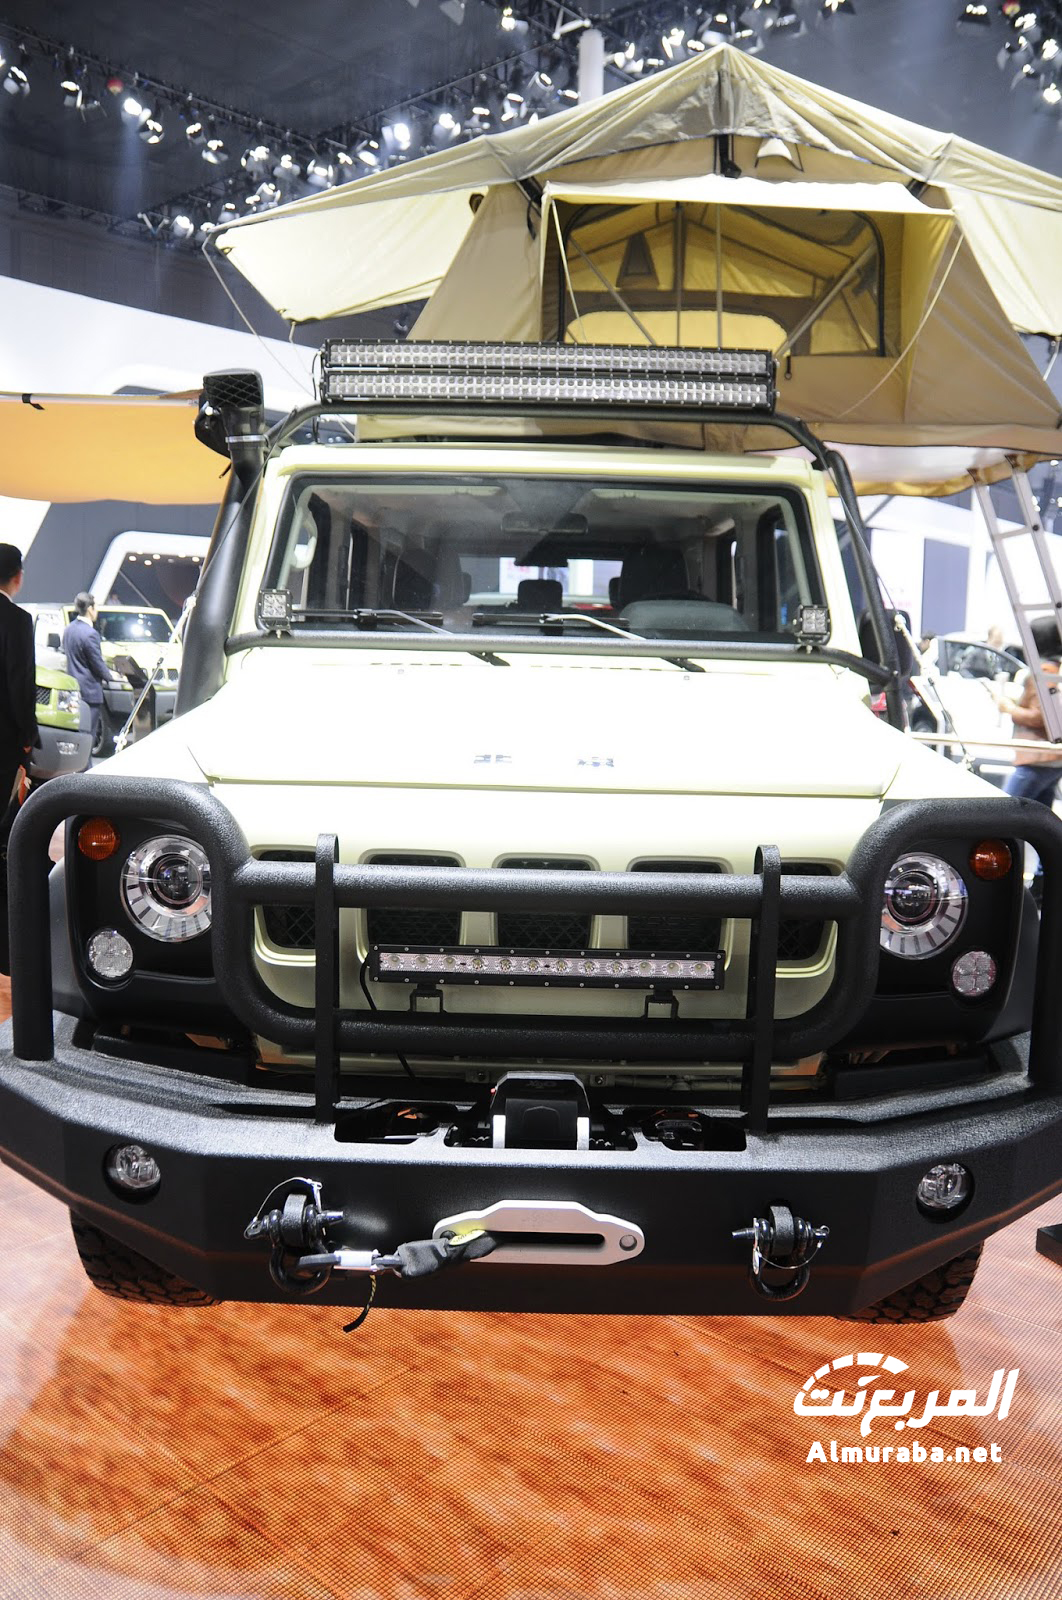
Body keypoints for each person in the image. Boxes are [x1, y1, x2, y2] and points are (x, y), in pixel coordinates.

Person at [0, 544, 39, 840]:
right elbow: (20, 681)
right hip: (5, 736)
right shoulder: (17, 619)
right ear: (18, 577)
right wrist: (28, 735)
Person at [61, 592, 112, 749]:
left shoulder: (69, 629)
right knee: (89, 736)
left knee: (77, 735)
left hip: (73, 690)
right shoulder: (90, 634)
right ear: (90, 608)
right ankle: (86, 764)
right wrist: (111, 676)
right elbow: (96, 663)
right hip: (90, 692)